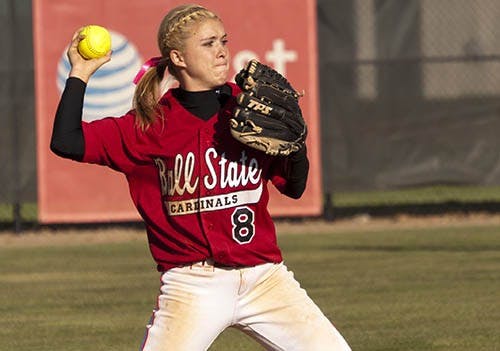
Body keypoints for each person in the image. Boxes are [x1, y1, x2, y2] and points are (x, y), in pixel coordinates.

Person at [50, 3, 351, 350]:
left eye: (223, 40)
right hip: (192, 285)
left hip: (264, 278)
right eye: (208, 44)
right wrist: (80, 73)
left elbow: (295, 188)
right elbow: (66, 141)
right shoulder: (149, 125)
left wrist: (296, 147)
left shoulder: (249, 111)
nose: (222, 50)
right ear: (178, 58)